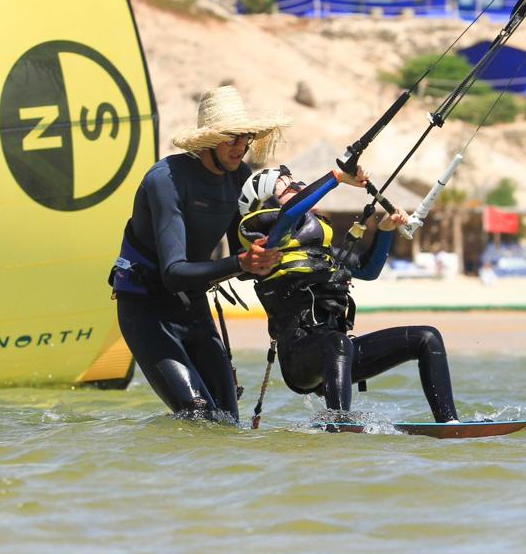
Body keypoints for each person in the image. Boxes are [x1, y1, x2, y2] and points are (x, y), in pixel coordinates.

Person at [111, 86, 290, 422]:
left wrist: (268, 259)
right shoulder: (166, 180)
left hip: (191, 306)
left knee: (228, 418)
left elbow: (243, 252)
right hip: (146, 309)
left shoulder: (239, 177)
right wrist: (240, 263)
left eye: (246, 137)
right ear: (209, 140)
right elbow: (174, 271)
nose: (242, 147)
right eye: (232, 138)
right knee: (197, 412)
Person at [238, 165, 459, 423]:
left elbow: (368, 269)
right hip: (299, 359)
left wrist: (385, 230)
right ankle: (340, 425)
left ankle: (449, 424)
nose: (300, 187)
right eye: (290, 187)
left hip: (339, 355)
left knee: (427, 337)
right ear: (266, 205)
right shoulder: (269, 246)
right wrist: (337, 177)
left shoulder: (320, 254)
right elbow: (288, 214)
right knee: (337, 343)